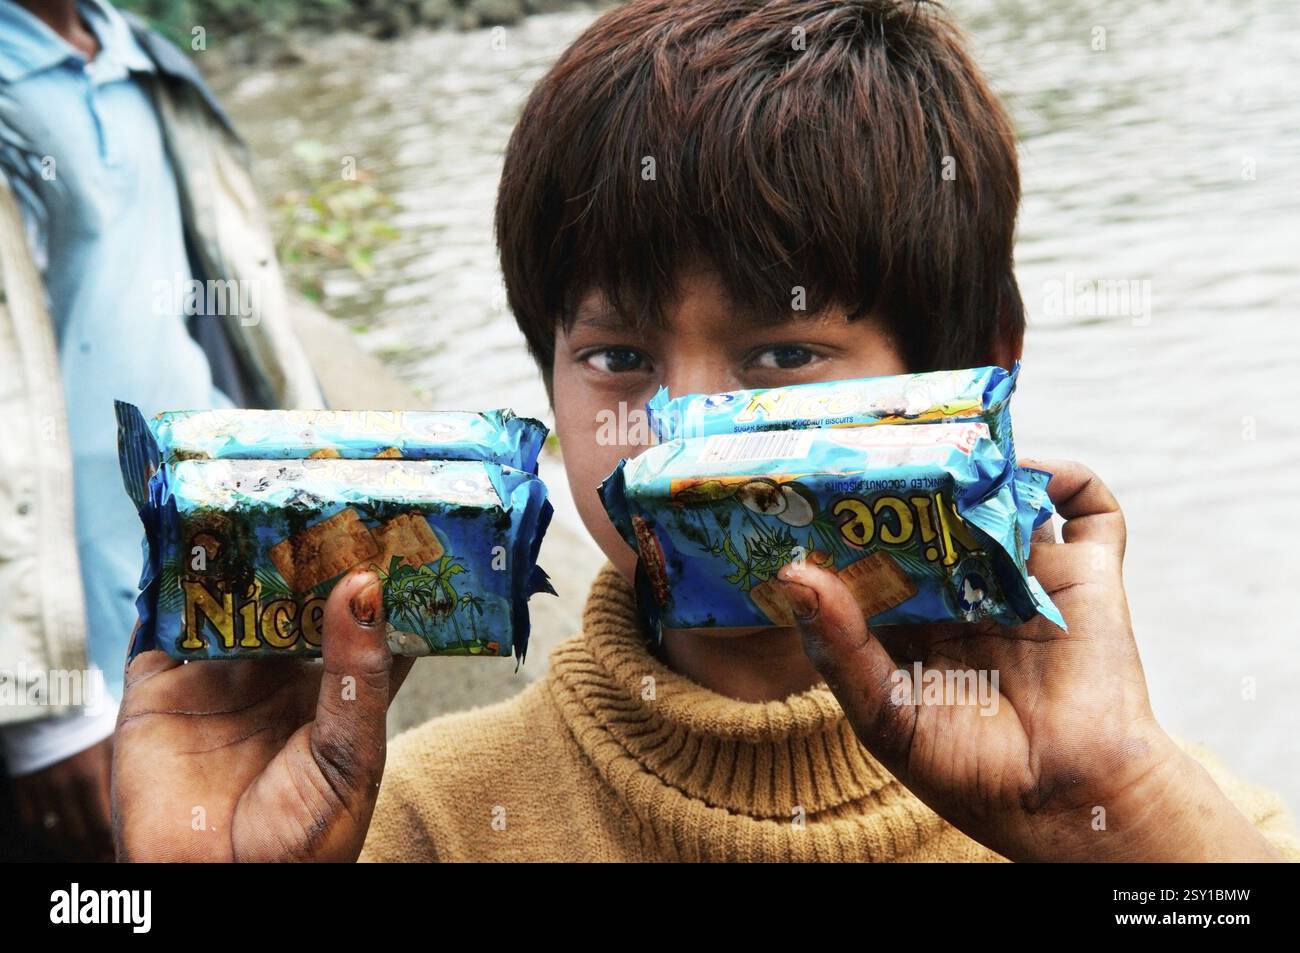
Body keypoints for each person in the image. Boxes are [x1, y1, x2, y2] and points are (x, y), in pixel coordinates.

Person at [110, 0, 1299, 862]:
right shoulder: (414, 821)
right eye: (616, 359)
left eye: (780, 355)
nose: (665, 448)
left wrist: (1117, 812)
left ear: (975, 370)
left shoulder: (1164, 821)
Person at [0, 0, 320, 860]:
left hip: (202, 549)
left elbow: (214, 298)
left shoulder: (139, 58)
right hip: (69, 627)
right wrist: (40, 705)